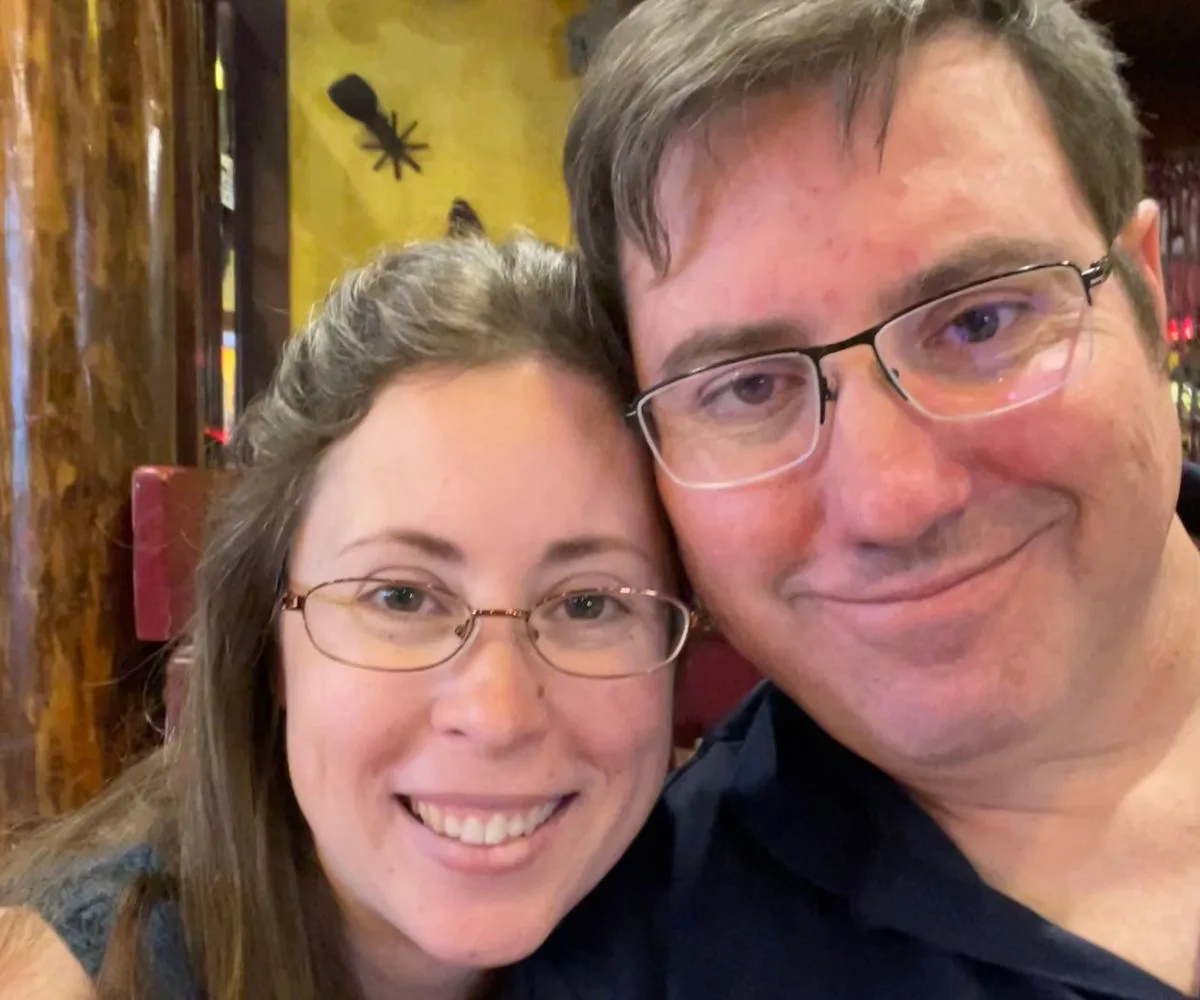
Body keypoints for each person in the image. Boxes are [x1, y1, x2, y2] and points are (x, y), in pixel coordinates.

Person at [541, 0, 1200, 997]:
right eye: (749, 387)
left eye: (980, 321)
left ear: (1146, 296)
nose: (896, 500)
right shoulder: (639, 961)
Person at [0, 236, 692, 999]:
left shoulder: (728, 933)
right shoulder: (75, 979)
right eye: (400, 597)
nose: (496, 716)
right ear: (270, 648)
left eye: (588, 604)